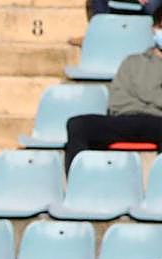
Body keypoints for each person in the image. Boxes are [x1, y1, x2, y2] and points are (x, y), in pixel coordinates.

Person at [65, 8, 162, 171]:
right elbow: (117, 100)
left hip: (158, 122)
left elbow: (143, 93)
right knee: (77, 125)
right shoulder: (132, 62)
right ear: (155, 29)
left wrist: (143, 98)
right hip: (127, 119)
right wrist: (153, 101)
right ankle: (79, 182)